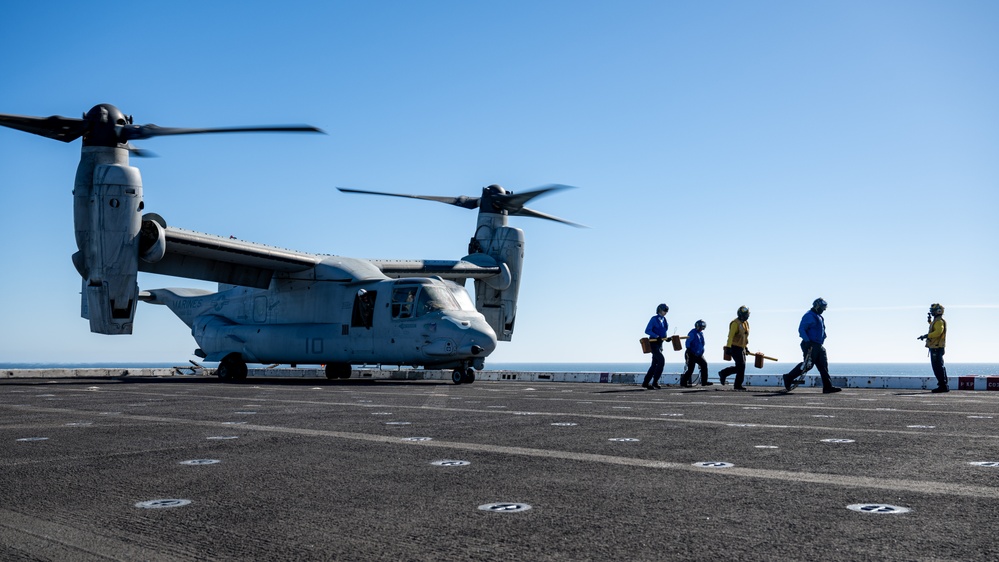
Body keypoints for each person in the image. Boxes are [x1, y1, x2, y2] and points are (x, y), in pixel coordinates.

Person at [782, 298, 841, 394]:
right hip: (810, 344)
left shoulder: (819, 317)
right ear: (817, 306)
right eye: (822, 308)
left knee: (823, 366)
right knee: (807, 365)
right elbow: (801, 329)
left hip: (818, 345)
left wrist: (823, 338)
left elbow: (822, 330)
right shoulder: (809, 316)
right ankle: (788, 377)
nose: (824, 310)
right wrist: (807, 341)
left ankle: (827, 387)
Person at [918, 303, 948, 393]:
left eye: (933, 311)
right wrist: (929, 321)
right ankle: (943, 385)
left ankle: (943, 386)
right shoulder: (937, 321)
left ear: (938, 311)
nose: (932, 312)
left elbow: (938, 332)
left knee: (937, 367)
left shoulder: (939, 322)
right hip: (936, 347)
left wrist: (927, 336)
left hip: (936, 347)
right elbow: (935, 328)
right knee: (939, 366)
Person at [718, 306, 750, 390]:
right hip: (734, 347)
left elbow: (745, 336)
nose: (747, 316)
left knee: (741, 367)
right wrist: (728, 347)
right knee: (741, 366)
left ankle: (724, 373)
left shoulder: (745, 323)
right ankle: (737, 385)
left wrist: (745, 347)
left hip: (741, 348)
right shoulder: (735, 323)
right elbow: (730, 336)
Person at [642, 304, 669, 390]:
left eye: (667, 310)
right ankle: (655, 382)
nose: (666, 311)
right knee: (661, 360)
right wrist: (656, 336)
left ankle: (646, 383)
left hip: (660, 344)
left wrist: (666, 338)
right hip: (653, 343)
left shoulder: (664, 320)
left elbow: (664, 331)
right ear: (659, 310)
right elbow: (647, 330)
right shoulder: (654, 319)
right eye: (665, 309)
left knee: (654, 364)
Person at [680, 320, 713, 387]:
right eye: (701, 327)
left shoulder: (701, 333)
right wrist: (689, 351)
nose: (701, 329)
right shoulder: (692, 333)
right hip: (691, 353)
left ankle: (704, 381)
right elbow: (687, 342)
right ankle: (683, 382)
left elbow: (701, 343)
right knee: (690, 369)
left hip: (699, 354)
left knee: (704, 365)